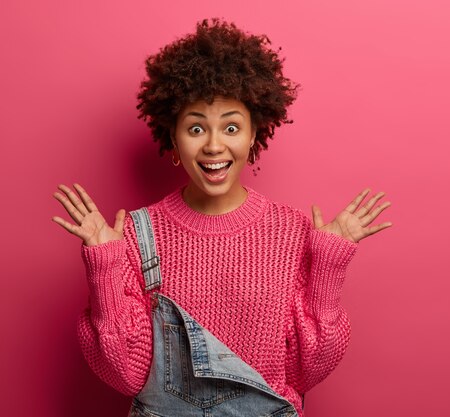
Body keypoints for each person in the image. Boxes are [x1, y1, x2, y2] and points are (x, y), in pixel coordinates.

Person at [52, 18, 391, 416]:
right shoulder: (135, 234)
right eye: (196, 128)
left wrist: (328, 266)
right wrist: (104, 267)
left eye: (231, 126)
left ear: (253, 136)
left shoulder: (292, 232)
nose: (214, 144)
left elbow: (308, 370)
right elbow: (125, 375)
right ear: (173, 140)